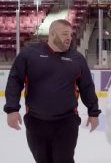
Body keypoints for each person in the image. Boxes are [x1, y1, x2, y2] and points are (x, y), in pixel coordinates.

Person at [3, 19, 101, 163]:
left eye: (70, 34)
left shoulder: (77, 59)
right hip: (36, 122)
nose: (69, 37)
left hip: (66, 122)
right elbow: (14, 81)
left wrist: (93, 112)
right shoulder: (29, 55)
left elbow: (87, 87)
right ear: (52, 34)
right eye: (64, 34)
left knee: (64, 160)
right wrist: (12, 109)